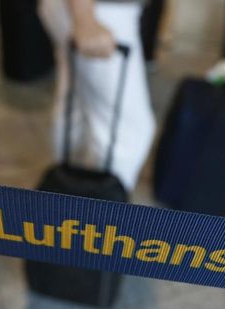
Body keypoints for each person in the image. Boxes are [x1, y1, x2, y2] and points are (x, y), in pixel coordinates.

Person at [39, 0, 156, 191]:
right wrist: (84, 17)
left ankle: (66, 204)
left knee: (79, 114)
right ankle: (102, 215)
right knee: (130, 134)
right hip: (100, 12)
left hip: (93, 11)